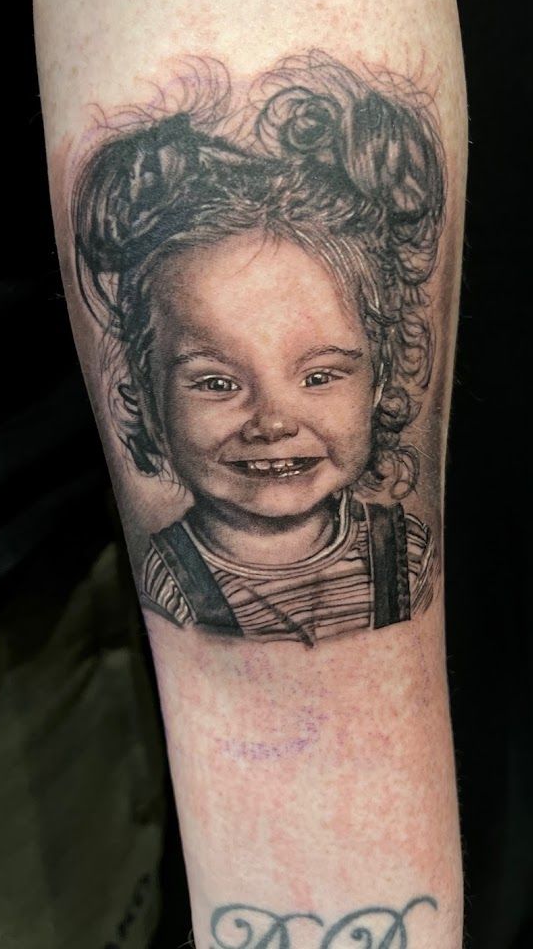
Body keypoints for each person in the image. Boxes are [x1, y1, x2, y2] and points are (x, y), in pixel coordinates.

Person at [71, 58, 442, 644]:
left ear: (378, 383)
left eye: (319, 377)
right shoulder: (168, 584)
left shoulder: (408, 555)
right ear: (145, 400)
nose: (272, 422)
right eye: (217, 383)